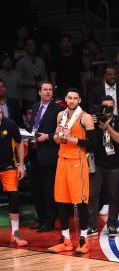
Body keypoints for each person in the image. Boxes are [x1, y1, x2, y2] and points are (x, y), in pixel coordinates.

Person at [48, 88, 95, 254]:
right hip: (62, 160)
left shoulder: (86, 117)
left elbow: (93, 144)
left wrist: (71, 138)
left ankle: (83, 240)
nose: (72, 100)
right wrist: (58, 135)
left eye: (75, 98)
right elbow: (56, 138)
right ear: (66, 99)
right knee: (61, 200)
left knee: (80, 202)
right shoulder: (60, 116)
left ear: (79, 100)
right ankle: (66, 239)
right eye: (69, 97)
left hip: (78, 161)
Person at [88, 96, 119, 236]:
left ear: (114, 106)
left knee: (114, 196)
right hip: (97, 164)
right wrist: (91, 123)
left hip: (115, 165)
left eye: (110, 106)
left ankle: (112, 225)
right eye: (105, 106)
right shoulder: (93, 121)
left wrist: (107, 126)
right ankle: (92, 226)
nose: (107, 109)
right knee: (93, 195)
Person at [29, 82, 62, 232]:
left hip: (49, 153)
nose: (48, 92)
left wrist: (48, 137)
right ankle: (41, 218)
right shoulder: (36, 106)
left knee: (48, 190)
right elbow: (35, 127)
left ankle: (49, 221)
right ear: (39, 92)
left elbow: (61, 133)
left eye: (50, 90)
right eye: (45, 90)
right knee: (36, 189)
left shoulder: (58, 110)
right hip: (34, 153)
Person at [0, 106, 27, 247]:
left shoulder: (9, 124)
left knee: (14, 198)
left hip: (8, 167)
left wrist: (21, 164)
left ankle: (15, 234)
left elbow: (20, 141)